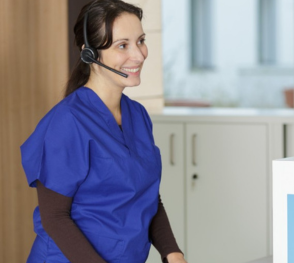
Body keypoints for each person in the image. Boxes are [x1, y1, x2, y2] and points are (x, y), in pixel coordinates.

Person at [20, 1, 187, 262]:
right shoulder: (67, 121)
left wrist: (171, 251)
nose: (140, 54)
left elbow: (146, 196)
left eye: (140, 41)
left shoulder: (138, 116)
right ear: (90, 54)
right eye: (122, 45)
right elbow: (54, 218)